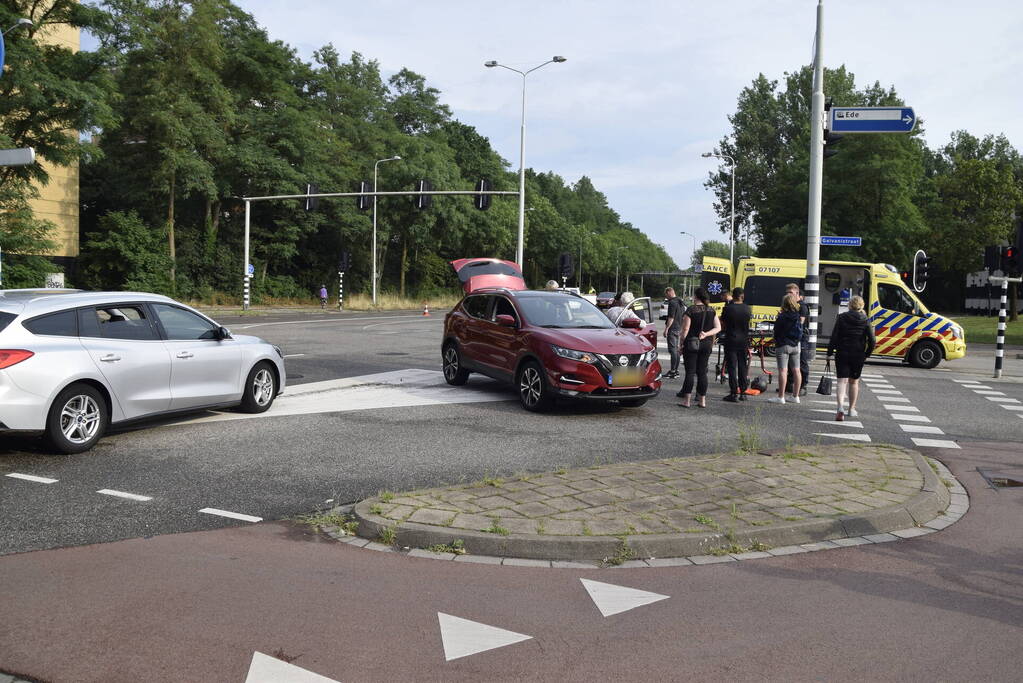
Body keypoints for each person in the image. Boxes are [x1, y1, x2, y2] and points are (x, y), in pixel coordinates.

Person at [827, 295, 876, 421]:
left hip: (842, 352)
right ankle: (851, 409)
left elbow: (835, 336)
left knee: (841, 381)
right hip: (858, 354)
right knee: (854, 382)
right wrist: (867, 354)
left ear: (849, 305)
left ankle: (840, 407)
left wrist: (829, 352)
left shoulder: (841, 317)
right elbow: (872, 340)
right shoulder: (865, 320)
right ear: (862, 305)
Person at [677, 287, 721, 408]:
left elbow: (685, 329)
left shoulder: (691, 310)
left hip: (691, 344)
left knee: (690, 372)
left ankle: (687, 401)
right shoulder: (711, 310)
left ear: (696, 296)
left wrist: (681, 344)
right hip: (706, 344)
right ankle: (702, 401)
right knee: (702, 372)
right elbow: (718, 328)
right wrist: (706, 334)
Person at [720, 287, 752, 402]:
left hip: (731, 339)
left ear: (733, 296)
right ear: (742, 296)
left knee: (732, 367)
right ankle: (743, 392)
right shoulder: (747, 309)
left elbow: (723, 323)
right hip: (743, 340)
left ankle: (733, 393)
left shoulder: (728, 309)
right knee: (743, 365)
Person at [770, 294, 803, 404]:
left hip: (783, 345)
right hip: (796, 345)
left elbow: (776, 331)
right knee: (797, 370)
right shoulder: (798, 316)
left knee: (783, 370)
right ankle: (795, 396)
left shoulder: (782, 317)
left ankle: (781, 397)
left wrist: (776, 341)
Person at [786, 283, 812, 396]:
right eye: (787, 293)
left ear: (797, 293)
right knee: (790, 362)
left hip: (801, 338)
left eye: (791, 292)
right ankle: (789, 384)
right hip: (791, 336)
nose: (789, 295)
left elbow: (800, 322)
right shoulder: (790, 305)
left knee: (802, 362)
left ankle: (803, 386)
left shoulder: (802, 306)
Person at [663, 287, 685, 379]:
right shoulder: (680, 301)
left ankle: (672, 371)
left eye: (666, 294)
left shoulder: (672, 302)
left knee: (673, 351)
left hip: (673, 328)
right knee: (676, 350)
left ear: (669, 292)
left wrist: (666, 329)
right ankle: (676, 370)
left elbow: (671, 317)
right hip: (679, 328)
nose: (666, 297)